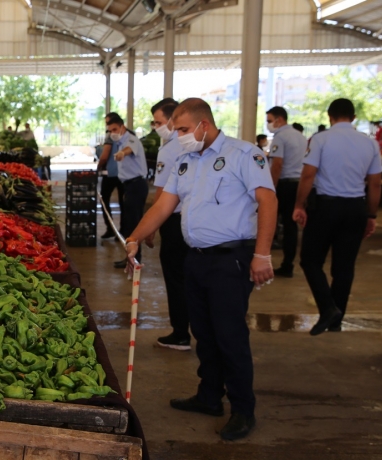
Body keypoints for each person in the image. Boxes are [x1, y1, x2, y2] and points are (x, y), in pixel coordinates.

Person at [124, 98, 277, 441]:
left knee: (229, 336)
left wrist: (262, 255)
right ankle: (209, 396)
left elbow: (268, 200)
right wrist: (135, 237)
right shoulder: (185, 161)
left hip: (230, 259)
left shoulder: (244, 154)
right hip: (195, 258)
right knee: (204, 333)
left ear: (203, 125)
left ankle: (243, 409)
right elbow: (164, 205)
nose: (178, 136)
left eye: (183, 129)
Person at [293, 98, 382, 336]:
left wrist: (299, 205)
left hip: (325, 207)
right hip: (355, 208)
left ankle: (328, 308)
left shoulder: (320, 139)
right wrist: (371, 215)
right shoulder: (370, 143)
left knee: (310, 260)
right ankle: (336, 320)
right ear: (353, 117)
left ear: (329, 116)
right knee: (344, 267)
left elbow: (308, 175)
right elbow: (375, 183)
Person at [146, 98, 191, 350]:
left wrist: (151, 225)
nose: (156, 127)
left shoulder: (170, 149)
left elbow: (162, 192)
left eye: (158, 122)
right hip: (196, 221)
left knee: (175, 277)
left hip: (174, 221)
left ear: (173, 120)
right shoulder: (201, 146)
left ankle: (181, 332)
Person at [266, 106, 307, 278]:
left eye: (269, 121)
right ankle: (288, 263)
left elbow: (277, 165)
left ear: (279, 119)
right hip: (298, 184)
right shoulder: (301, 137)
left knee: (269, 221)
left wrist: (270, 188)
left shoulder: (280, 137)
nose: (268, 124)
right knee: (291, 226)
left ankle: (264, 261)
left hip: (284, 185)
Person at [106, 112, 147, 269]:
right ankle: (131, 257)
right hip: (128, 186)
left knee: (134, 224)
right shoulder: (120, 142)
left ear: (122, 127)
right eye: (110, 131)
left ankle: (135, 259)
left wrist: (123, 153)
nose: (112, 133)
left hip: (136, 185)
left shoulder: (130, 139)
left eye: (115, 129)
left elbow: (129, 149)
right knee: (129, 223)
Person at [97, 114, 124, 240]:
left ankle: (110, 228)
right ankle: (123, 231)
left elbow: (104, 156)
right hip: (124, 174)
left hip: (111, 174)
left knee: (104, 200)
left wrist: (99, 167)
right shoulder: (127, 135)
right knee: (123, 203)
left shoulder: (110, 136)